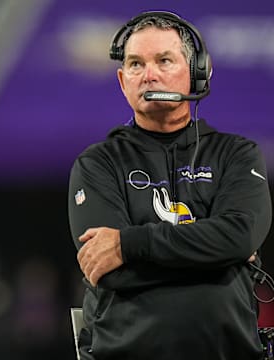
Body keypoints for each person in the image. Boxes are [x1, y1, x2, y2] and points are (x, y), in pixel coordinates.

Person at [67, 10, 272, 360]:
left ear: (197, 73)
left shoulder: (237, 154)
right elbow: (110, 273)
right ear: (122, 80)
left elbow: (240, 235)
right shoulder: (97, 162)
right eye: (135, 64)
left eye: (164, 60)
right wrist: (218, 255)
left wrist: (128, 244)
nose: (148, 75)